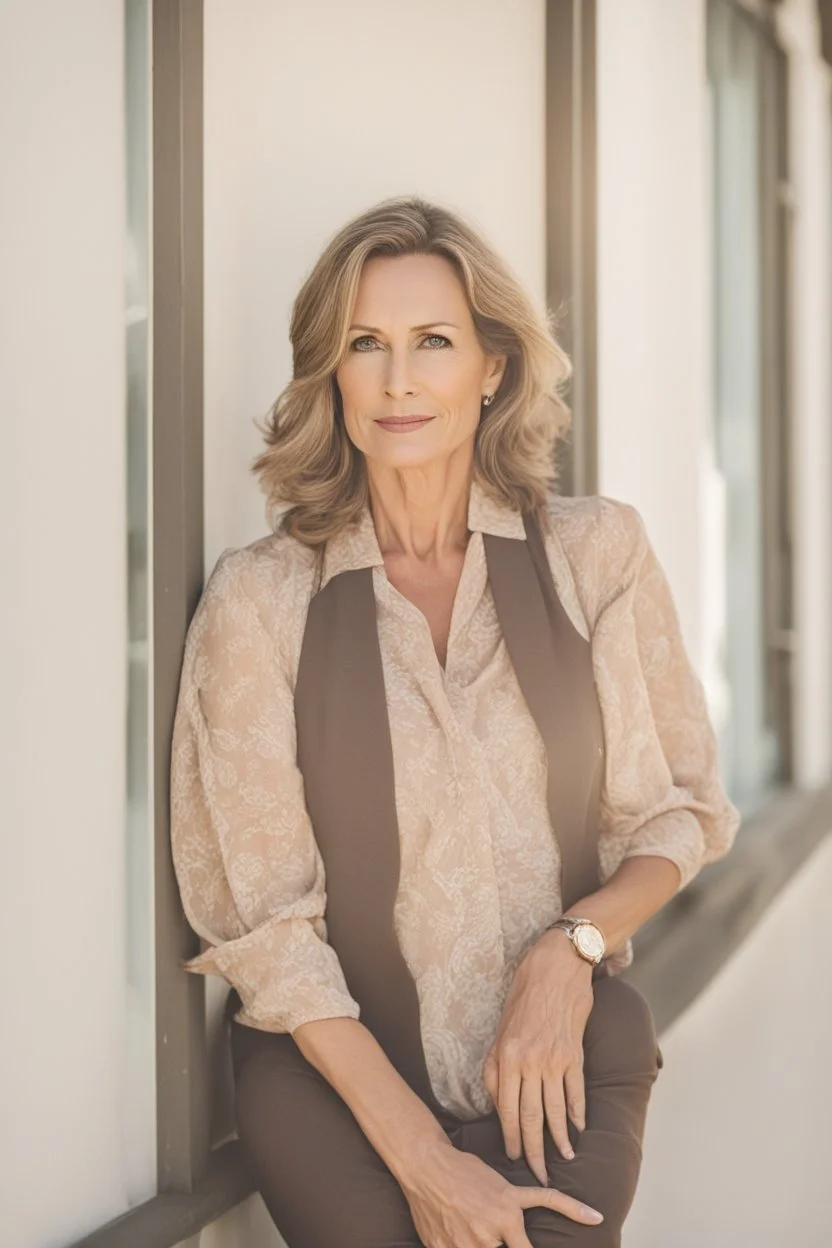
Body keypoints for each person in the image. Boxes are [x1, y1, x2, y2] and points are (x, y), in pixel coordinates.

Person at [169, 196, 741, 1248]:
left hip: (560, 1058)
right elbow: (268, 933)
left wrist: (566, 954)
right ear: (328, 374)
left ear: (492, 367)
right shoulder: (258, 602)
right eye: (363, 345)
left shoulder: (595, 555)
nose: (397, 380)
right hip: (336, 1084)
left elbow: (676, 816)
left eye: (432, 342)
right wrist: (426, 1162)